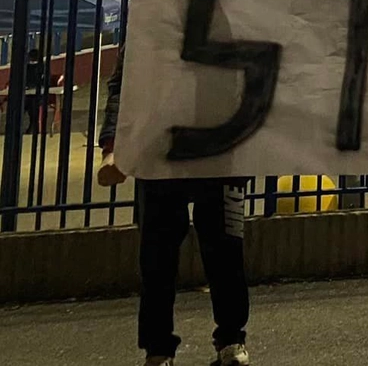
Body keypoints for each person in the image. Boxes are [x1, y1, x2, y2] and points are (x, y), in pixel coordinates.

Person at [96, 50, 252, 366]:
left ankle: (231, 338)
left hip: (221, 151)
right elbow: (124, 81)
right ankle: (159, 347)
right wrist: (113, 145)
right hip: (162, 152)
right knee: (157, 256)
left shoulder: (239, 7)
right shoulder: (154, 8)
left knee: (225, 250)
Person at [22, 47, 48, 135]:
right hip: (27, 94)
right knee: (23, 104)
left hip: (38, 95)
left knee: (33, 104)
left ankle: (33, 126)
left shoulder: (42, 67)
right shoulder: (26, 67)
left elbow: (45, 81)